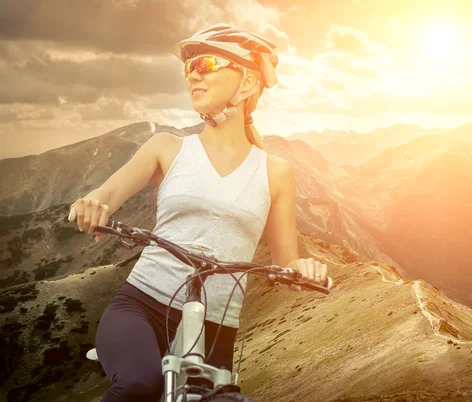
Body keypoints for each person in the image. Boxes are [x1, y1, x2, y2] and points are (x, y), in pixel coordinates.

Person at [68, 23, 330, 402]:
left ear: (248, 83)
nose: (193, 74)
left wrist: (305, 268)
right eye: (187, 68)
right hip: (142, 306)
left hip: (216, 328)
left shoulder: (276, 173)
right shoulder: (168, 148)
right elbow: (104, 196)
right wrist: (90, 205)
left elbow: (287, 263)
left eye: (206, 63)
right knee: (140, 385)